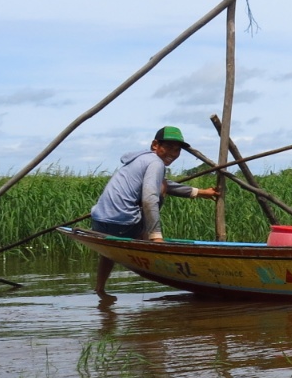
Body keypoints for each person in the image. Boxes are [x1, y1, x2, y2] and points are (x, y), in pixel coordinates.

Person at [90, 126, 217, 300]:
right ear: (155, 145)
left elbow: (163, 183)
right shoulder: (155, 162)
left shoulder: (141, 159)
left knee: (108, 249)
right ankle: (146, 236)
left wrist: (200, 192)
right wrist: (156, 236)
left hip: (99, 221)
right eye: (169, 148)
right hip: (124, 225)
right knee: (161, 187)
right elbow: (150, 197)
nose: (172, 154)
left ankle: (100, 288)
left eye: (177, 150)